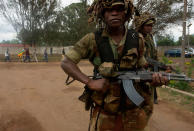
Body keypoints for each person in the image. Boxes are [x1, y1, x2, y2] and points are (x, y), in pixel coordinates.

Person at [61, 0, 168, 130]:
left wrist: (153, 80)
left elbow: (141, 68)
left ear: (126, 13)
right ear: (102, 13)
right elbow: (66, 63)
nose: (114, 13)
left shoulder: (137, 38)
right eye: (109, 10)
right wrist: (89, 82)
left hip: (133, 113)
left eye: (119, 9)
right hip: (105, 115)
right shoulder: (93, 39)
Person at [134, 12, 159, 104]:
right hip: (137, 74)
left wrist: (158, 66)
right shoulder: (134, 37)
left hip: (150, 74)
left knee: (148, 102)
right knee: (136, 102)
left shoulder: (150, 37)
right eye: (147, 25)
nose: (150, 28)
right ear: (141, 26)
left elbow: (154, 54)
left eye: (151, 25)